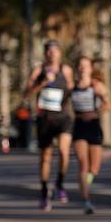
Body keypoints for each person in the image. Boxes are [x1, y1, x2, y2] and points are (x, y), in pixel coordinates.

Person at [23, 40, 75, 211]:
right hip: (45, 118)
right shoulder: (38, 71)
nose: (52, 53)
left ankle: (60, 184)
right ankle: (45, 191)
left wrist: (71, 88)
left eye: (55, 50)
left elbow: (72, 90)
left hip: (63, 117)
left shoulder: (66, 70)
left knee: (63, 150)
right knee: (45, 156)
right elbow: (27, 94)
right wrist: (42, 83)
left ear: (60, 53)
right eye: (49, 51)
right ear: (45, 53)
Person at [70, 55, 109, 215]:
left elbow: (108, 105)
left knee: (94, 168)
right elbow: (64, 105)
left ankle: (86, 181)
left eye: (85, 65)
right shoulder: (72, 86)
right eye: (79, 65)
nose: (82, 68)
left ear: (91, 68)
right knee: (83, 164)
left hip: (93, 125)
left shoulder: (96, 86)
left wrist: (95, 112)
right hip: (79, 126)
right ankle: (86, 200)